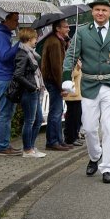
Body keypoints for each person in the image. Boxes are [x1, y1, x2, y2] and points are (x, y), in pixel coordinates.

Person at [62, 0, 110, 184]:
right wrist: (67, 77)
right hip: (89, 85)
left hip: (109, 85)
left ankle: (107, 167)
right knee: (90, 128)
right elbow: (71, 55)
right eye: (97, 9)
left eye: (104, 10)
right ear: (92, 12)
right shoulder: (83, 32)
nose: (100, 13)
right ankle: (95, 155)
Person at [13, 28, 46, 158]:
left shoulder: (31, 53)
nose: (36, 40)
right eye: (34, 38)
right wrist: (32, 87)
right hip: (29, 92)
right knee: (30, 120)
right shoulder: (22, 54)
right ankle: (27, 149)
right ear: (28, 39)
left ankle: (31, 147)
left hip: (34, 91)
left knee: (38, 120)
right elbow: (18, 75)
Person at [0, 12, 22, 156]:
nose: (17, 23)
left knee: (7, 113)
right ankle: (2, 147)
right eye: (15, 20)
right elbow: (5, 56)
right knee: (5, 114)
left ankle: (4, 144)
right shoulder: (0, 36)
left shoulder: (3, 35)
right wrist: (18, 44)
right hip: (3, 79)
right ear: (6, 20)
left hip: (4, 78)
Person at [40, 19, 73, 151]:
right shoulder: (54, 42)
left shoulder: (59, 41)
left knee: (58, 111)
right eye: (66, 27)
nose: (68, 29)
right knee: (55, 112)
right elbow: (56, 68)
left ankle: (58, 140)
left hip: (54, 81)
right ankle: (52, 141)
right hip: (53, 81)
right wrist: (62, 87)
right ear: (58, 29)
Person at [64, 60, 83, 146]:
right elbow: (70, 75)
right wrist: (78, 68)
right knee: (72, 118)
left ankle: (75, 136)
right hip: (72, 94)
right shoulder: (70, 61)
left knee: (77, 117)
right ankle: (70, 138)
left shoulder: (78, 61)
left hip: (77, 94)